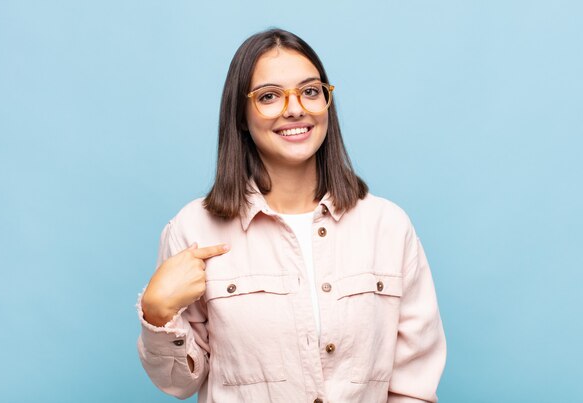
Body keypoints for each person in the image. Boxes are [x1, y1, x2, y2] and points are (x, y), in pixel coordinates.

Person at [137, 28, 446, 403]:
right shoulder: (193, 230)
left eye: (310, 91)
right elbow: (180, 384)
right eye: (269, 96)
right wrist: (157, 314)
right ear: (240, 116)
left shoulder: (388, 227)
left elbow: (413, 384)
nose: (295, 108)